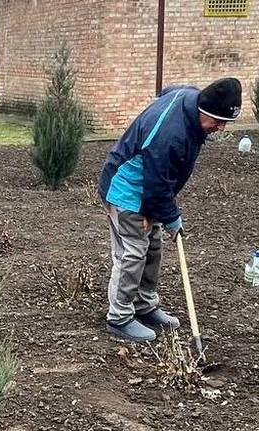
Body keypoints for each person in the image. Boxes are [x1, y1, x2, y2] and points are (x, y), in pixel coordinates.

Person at [97, 77, 242, 342]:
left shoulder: (191, 98)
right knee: (132, 253)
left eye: (225, 122)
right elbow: (157, 182)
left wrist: (156, 214)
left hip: (148, 188)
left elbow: (168, 90)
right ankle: (119, 317)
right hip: (126, 190)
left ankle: (144, 306)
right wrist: (171, 218)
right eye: (217, 121)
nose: (220, 128)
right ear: (203, 110)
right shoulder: (170, 136)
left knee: (153, 248)